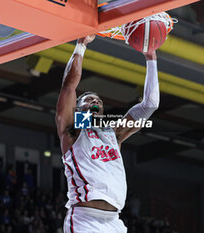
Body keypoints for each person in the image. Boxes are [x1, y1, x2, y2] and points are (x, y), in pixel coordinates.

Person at [55, 35, 159, 233]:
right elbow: (69, 86)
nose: (96, 102)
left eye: (99, 101)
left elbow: (150, 105)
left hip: (114, 221)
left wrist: (151, 57)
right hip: (85, 219)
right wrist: (81, 45)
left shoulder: (113, 134)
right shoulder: (72, 131)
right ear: (77, 109)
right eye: (89, 100)